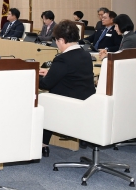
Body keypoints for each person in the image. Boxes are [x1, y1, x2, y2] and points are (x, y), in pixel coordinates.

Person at [39, 20, 96, 157]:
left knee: (43, 99)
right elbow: (73, 74)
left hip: (66, 104)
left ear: (62, 40)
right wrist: (51, 73)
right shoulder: (86, 54)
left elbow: (46, 84)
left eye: (56, 40)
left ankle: (43, 143)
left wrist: (33, 76)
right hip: (85, 101)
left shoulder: (63, 58)